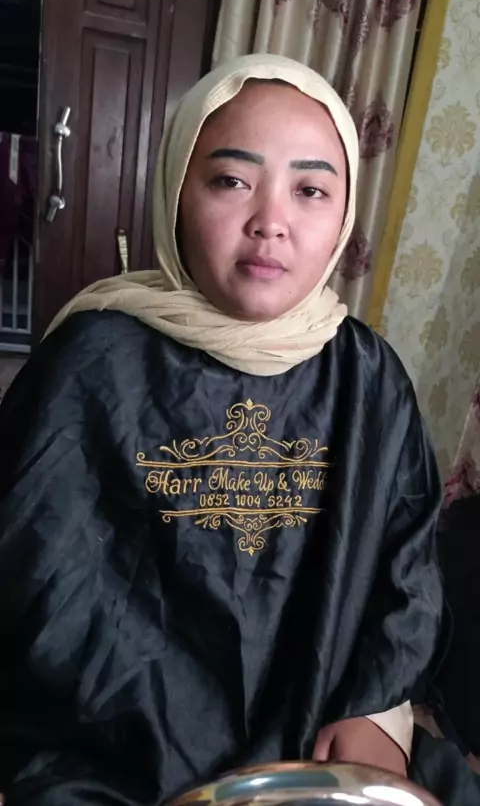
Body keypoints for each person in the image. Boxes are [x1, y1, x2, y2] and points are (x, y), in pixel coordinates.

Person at [0, 54, 478, 806]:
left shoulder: (368, 377)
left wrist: (379, 711)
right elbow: (33, 574)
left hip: (315, 734)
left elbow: (405, 567)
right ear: (176, 192)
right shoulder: (90, 360)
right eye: (231, 180)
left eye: (310, 190)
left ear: (344, 215)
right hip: (106, 748)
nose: (271, 221)